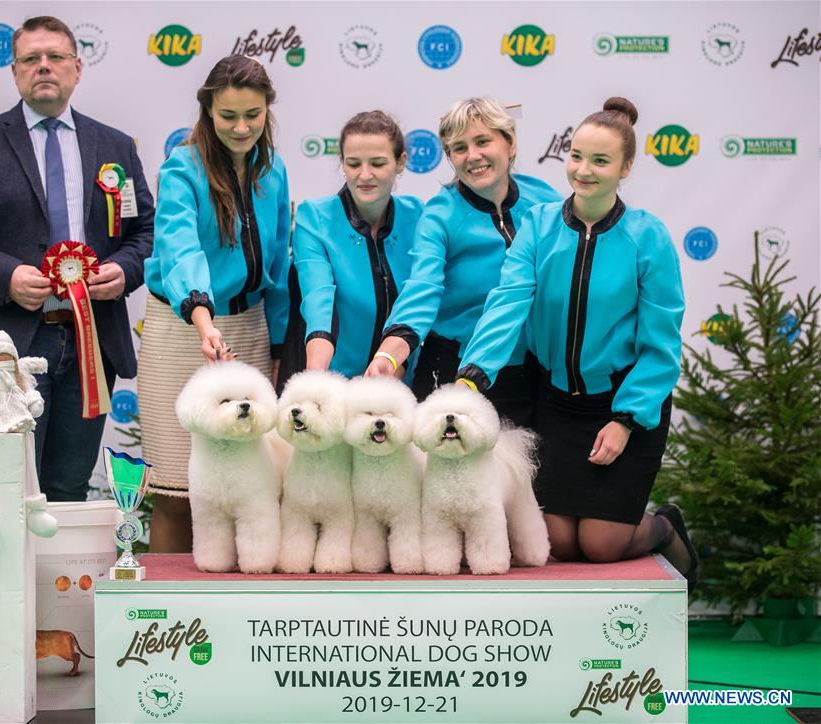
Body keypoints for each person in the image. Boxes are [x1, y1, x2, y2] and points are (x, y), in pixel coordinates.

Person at [455, 98, 699, 591]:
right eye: (576, 155)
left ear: (626, 167)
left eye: (600, 161)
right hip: (559, 405)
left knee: (602, 546)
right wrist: (472, 375)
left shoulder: (648, 237)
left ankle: (665, 524)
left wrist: (626, 420)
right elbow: (508, 302)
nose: (583, 170)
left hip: (625, 405)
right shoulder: (539, 226)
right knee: (560, 543)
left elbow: (660, 345)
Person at [0, 16, 154, 502]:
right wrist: (5, 276)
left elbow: (143, 232)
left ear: (77, 68)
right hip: (4, 348)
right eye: (30, 59)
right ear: (15, 72)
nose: (43, 67)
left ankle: (56, 584)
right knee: (6, 492)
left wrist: (124, 271)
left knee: (67, 489)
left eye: (55, 58)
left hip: (92, 343)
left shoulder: (114, 146)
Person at [138, 55, 290, 552]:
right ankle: (166, 623)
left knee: (250, 486)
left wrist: (281, 343)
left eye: (253, 114)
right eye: (228, 116)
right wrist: (203, 319)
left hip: (248, 327)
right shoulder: (181, 168)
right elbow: (179, 248)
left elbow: (281, 261)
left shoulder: (275, 169)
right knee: (179, 490)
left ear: (268, 109)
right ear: (207, 110)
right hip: (185, 330)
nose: (241, 127)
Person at [365, 97, 561, 426]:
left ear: (510, 144)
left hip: (531, 372)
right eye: (458, 148)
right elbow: (421, 289)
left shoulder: (546, 202)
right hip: (452, 370)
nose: (472, 156)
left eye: (483, 141)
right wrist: (390, 352)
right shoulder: (440, 215)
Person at [278, 111, 423, 385]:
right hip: (332, 382)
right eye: (353, 163)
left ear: (400, 162)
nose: (364, 175)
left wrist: (396, 366)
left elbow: (419, 301)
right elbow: (318, 299)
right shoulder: (315, 218)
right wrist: (317, 376)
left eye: (378, 163)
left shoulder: (418, 216)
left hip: (399, 382)